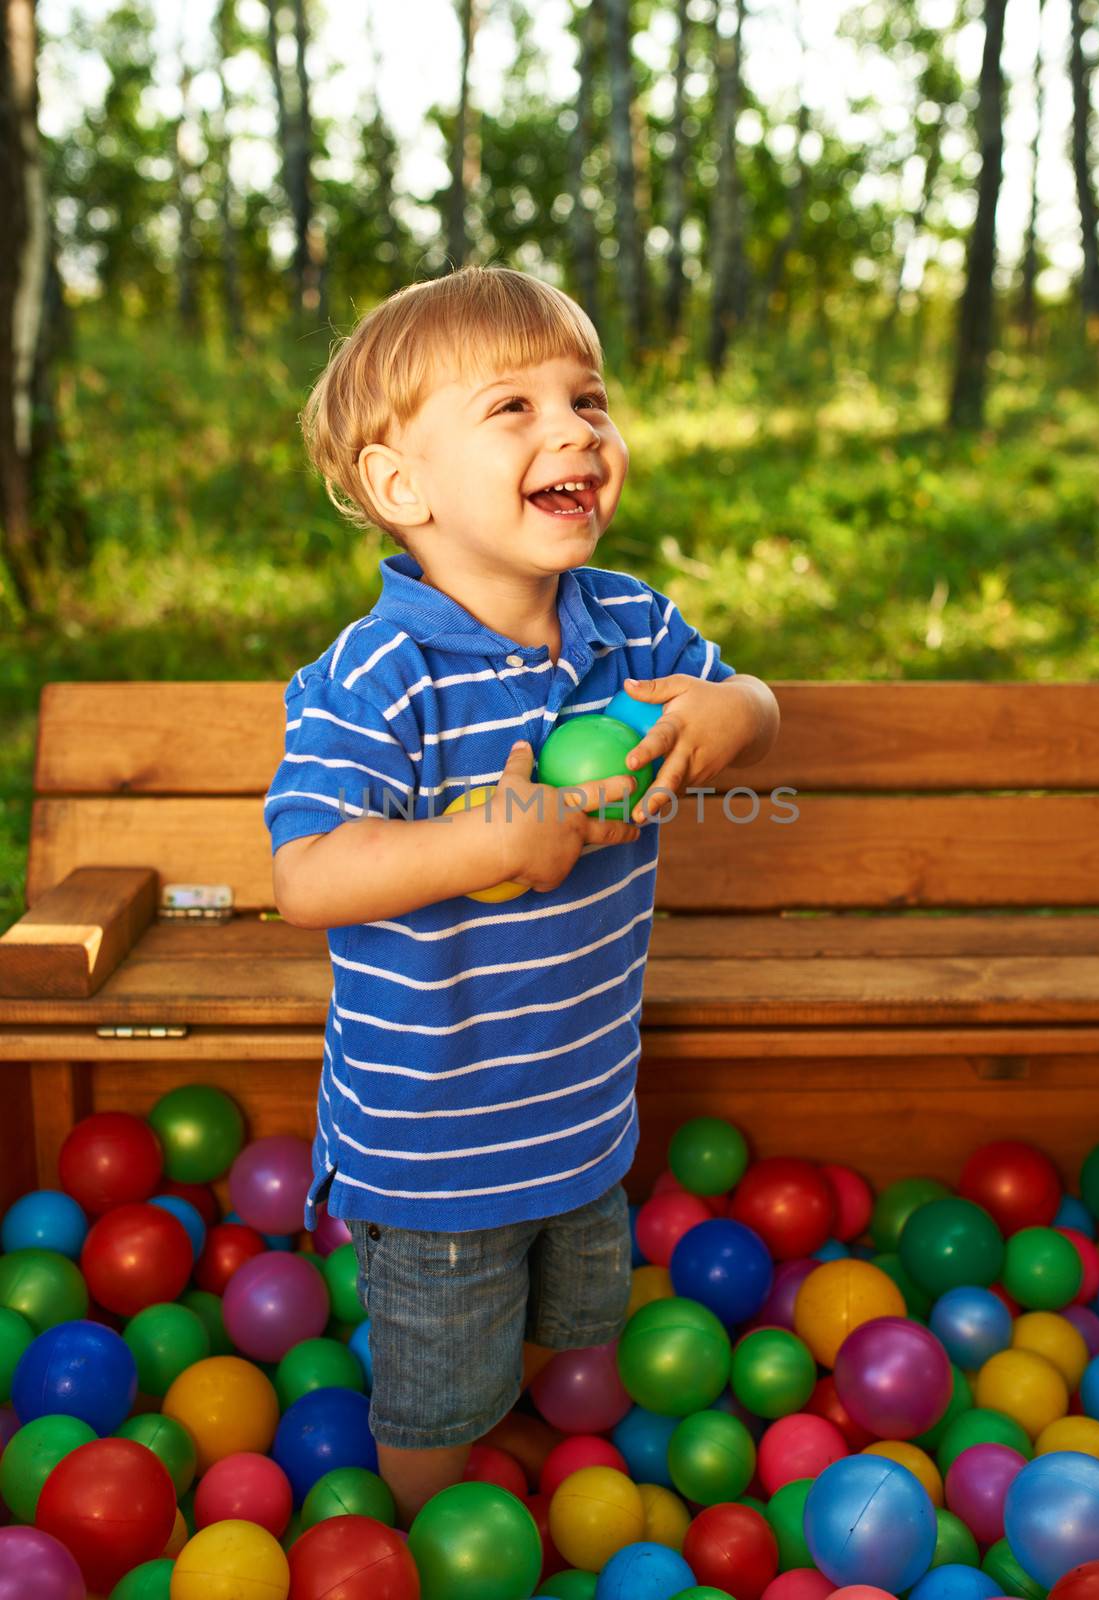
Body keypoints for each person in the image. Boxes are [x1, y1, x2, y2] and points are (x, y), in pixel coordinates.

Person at [263, 264, 780, 1525]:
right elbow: (306, 873)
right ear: (401, 487)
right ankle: (432, 1523)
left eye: (588, 399)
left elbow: (756, 706)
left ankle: (530, 1441)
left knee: (570, 1320)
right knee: (438, 1390)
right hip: (436, 1142)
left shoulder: (628, 624)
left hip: (582, 1106)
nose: (574, 430)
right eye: (514, 408)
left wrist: (728, 715)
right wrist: (487, 842)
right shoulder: (376, 676)